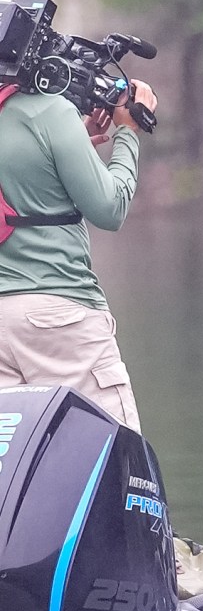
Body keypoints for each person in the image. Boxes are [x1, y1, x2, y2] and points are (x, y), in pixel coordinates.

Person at [0, 79, 159, 433]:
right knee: (111, 448)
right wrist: (127, 132)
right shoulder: (50, 111)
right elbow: (110, 208)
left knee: (17, 464)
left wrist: (73, 148)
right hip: (61, 318)